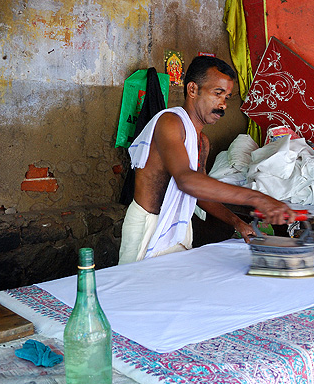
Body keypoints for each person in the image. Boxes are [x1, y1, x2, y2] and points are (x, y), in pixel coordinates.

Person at [118, 56, 297, 264]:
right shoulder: (169, 122)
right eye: (217, 94)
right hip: (147, 227)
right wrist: (257, 198)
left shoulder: (202, 141)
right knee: (138, 294)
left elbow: (199, 193)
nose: (223, 105)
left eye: (227, 97)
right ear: (193, 90)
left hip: (179, 228)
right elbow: (186, 181)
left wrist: (237, 222)